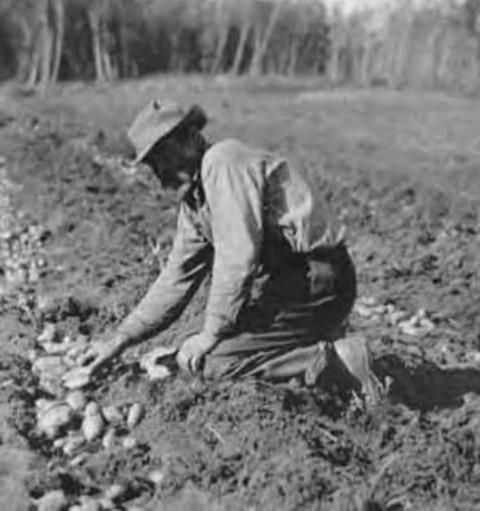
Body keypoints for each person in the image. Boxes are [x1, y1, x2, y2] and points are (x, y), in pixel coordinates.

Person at [78, 99, 384, 402]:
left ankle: (339, 361)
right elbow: (177, 277)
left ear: (186, 139)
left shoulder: (223, 162)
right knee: (199, 348)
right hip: (291, 286)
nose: (158, 172)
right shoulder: (197, 200)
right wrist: (121, 339)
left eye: (160, 158)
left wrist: (211, 336)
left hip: (317, 281)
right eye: (151, 164)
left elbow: (237, 257)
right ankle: (308, 347)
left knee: (214, 363)